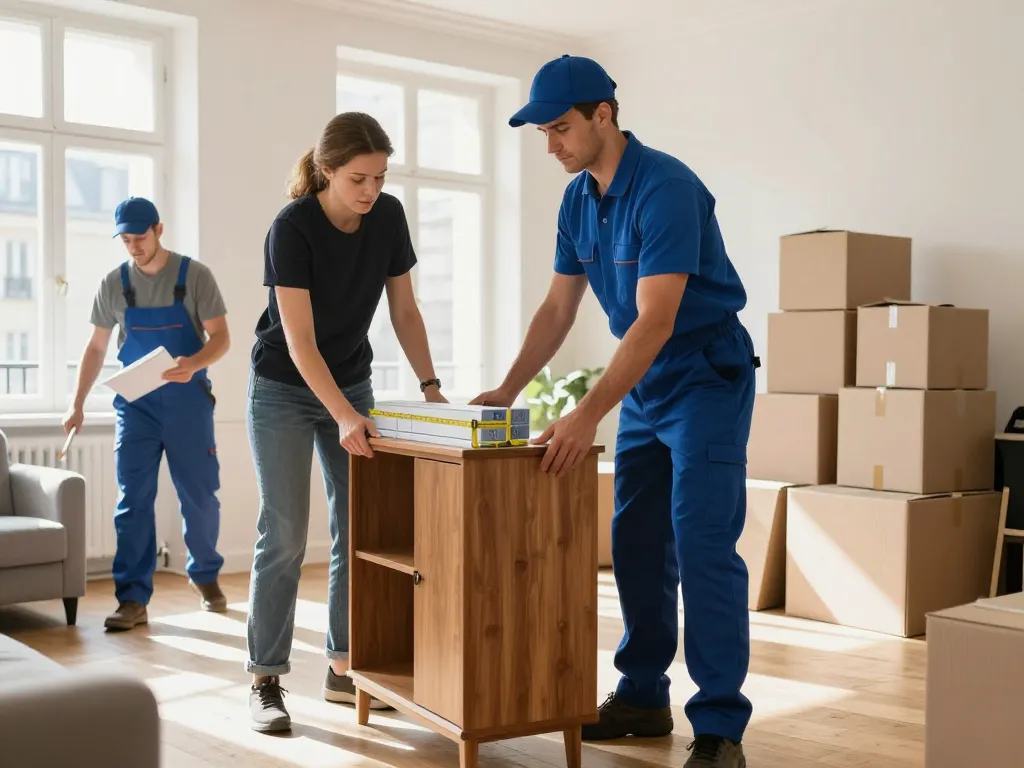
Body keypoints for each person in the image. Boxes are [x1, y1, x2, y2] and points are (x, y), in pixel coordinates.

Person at [470, 55, 758, 768]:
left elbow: (656, 319)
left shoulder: (667, 189)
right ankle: (642, 696)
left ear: (604, 114)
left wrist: (588, 412)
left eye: (560, 128)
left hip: (704, 375)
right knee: (635, 541)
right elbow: (557, 307)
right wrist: (508, 388)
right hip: (645, 381)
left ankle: (720, 727)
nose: (551, 146)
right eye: (543, 133)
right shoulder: (578, 200)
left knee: (702, 544)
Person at [245, 111, 447, 733]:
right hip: (283, 387)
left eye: (380, 178)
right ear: (327, 170)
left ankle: (343, 667)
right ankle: (265, 679)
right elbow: (299, 341)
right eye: (359, 178)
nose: (371, 191)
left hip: (352, 381)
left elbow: (405, 310)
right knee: (284, 533)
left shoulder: (387, 217)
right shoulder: (292, 228)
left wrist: (431, 387)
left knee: (357, 527)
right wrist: (343, 416)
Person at [63, 196, 231, 631]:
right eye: (126, 240)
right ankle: (132, 599)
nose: (134, 247)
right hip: (136, 407)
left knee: (200, 496)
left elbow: (221, 337)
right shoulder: (113, 284)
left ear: (159, 229)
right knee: (133, 500)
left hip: (188, 401)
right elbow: (96, 348)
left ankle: (204, 574)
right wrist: (76, 403)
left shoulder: (195, 276)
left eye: (140, 237)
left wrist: (193, 364)